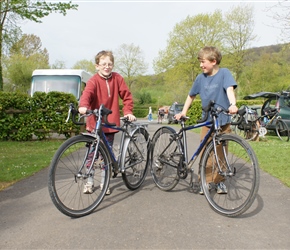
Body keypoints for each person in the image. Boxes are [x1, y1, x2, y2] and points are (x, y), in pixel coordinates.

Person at [174, 46, 238, 195]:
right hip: (208, 121)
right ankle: (205, 180)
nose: (201, 65)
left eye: (203, 62)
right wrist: (183, 112)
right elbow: (191, 95)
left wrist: (233, 104)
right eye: (200, 62)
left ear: (213, 61)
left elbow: (229, 89)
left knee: (221, 153)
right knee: (205, 153)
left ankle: (219, 181)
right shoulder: (200, 78)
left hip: (222, 120)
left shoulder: (224, 73)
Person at [78, 50, 136, 195]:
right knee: (92, 154)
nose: (107, 66)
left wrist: (128, 112)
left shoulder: (117, 79)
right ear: (97, 66)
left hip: (109, 123)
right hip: (94, 124)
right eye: (103, 64)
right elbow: (87, 94)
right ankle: (89, 182)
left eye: (110, 64)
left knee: (106, 156)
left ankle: (105, 182)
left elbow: (127, 96)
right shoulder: (93, 81)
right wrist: (83, 106)